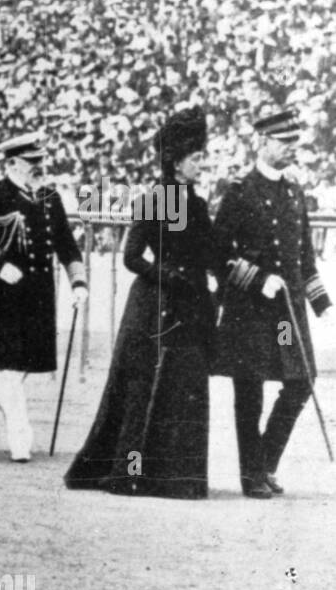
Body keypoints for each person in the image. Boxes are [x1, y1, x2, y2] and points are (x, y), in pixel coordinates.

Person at [65, 106, 217, 498]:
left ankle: (176, 478)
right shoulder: (158, 198)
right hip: (155, 306)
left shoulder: (196, 204)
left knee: (182, 388)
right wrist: (170, 277)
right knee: (143, 391)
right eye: (197, 158)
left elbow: (210, 254)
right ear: (177, 161)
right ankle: (131, 472)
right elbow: (132, 256)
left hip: (190, 306)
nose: (202, 164)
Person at [212, 108, 332, 498]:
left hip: (285, 319)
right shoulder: (239, 191)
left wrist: (322, 304)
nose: (290, 150)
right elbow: (217, 254)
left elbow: (304, 259)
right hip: (250, 313)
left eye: (294, 143)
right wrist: (258, 279)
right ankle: (252, 475)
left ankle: (263, 463)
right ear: (262, 143)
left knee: (300, 382)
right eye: (284, 143)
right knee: (250, 391)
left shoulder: (296, 193)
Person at [0, 131, 89, 462]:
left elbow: (66, 243)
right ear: (12, 163)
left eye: (40, 161)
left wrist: (78, 282)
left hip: (38, 296)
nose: (39, 167)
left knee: (22, 366)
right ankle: (21, 437)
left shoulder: (49, 196)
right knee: (5, 367)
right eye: (32, 162)